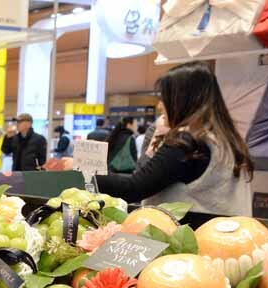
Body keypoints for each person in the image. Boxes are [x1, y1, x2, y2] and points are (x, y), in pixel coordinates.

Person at [96, 62, 253, 215]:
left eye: (165, 98)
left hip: (190, 231)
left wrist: (86, 173)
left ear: (183, 100)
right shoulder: (226, 140)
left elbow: (133, 188)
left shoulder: (188, 142)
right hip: (228, 229)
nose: (160, 106)